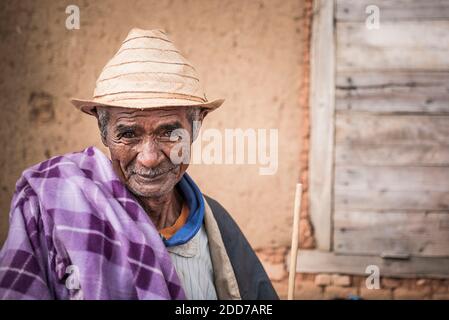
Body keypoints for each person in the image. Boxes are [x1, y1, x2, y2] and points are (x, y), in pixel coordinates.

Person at [0, 28, 278, 300]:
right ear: (103, 131)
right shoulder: (56, 208)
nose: (149, 157)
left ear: (195, 127)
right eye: (128, 134)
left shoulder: (217, 224)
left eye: (169, 133)